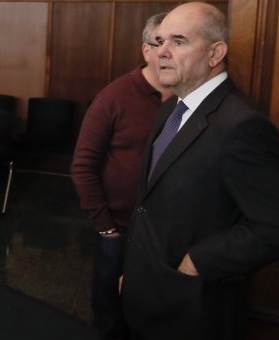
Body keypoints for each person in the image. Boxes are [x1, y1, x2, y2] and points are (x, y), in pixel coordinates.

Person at [120, 2, 279, 339]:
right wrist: (136, 271)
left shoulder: (242, 126)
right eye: (159, 40)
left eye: (178, 42)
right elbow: (149, 202)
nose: (160, 51)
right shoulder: (171, 108)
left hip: (192, 310)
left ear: (215, 53)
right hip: (147, 292)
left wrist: (197, 261)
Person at [70, 12, 171, 340]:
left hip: (167, 229)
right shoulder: (113, 97)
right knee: (110, 312)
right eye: (160, 43)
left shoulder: (188, 98)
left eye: (179, 42)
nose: (168, 52)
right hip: (120, 227)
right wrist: (106, 227)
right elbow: (83, 166)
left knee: (156, 313)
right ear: (146, 50)